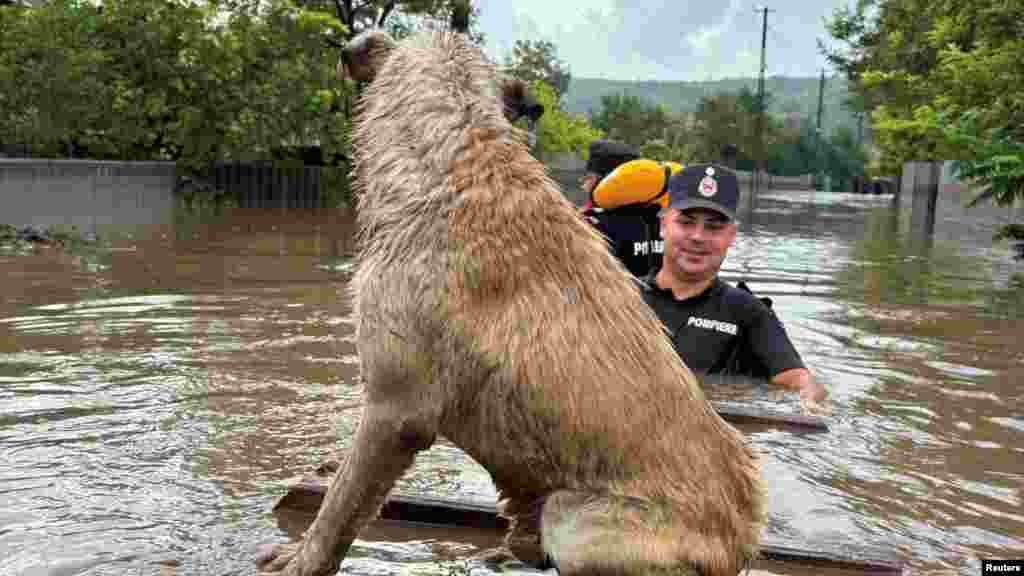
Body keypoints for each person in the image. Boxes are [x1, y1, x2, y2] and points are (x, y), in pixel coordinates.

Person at [637, 163, 830, 414]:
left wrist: (810, 396)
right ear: (663, 225)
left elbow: (797, 379)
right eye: (686, 222)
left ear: (731, 235)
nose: (698, 236)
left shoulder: (748, 312)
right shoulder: (621, 296)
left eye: (714, 227)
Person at [580, 140, 663, 277]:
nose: (584, 186)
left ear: (607, 183)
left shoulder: (593, 225)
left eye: (589, 178)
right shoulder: (666, 222)